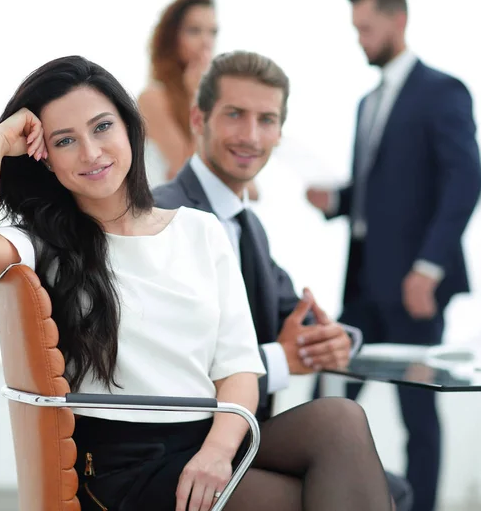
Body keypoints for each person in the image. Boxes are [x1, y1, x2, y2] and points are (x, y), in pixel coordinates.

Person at [0, 55, 393, 511]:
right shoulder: (46, 242)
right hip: (123, 467)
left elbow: (239, 370)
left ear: (129, 130)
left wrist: (217, 454)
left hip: (208, 437)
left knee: (341, 420)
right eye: (65, 141)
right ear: (47, 160)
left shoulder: (200, 230)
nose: (92, 153)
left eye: (102, 127)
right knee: (323, 498)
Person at [153, 50, 413, 511]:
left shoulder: (247, 226)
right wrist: (282, 359)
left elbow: (291, 313)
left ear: (279, 131)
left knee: (383, 477)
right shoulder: (164, 215)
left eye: (267, 120)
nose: (252, 136)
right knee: (355, 458)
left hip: (243, 432)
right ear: (199, 118)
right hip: (186, 441)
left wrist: (335, 340)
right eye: (235, 115)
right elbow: (174, 367)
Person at [306, 0, 481, 511]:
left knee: (418, 413)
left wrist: (429, 268)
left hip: (412, 287)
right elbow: (383, 190)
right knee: (326, 399)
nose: (359, 39)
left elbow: (464, 180)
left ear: (397, 20)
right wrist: (337, 201)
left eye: (366, 27)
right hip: (362, 282)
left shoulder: (442, 91)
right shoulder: (368, 102)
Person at [139, 0, 216, 186]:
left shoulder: (216, 95)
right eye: (194, 31)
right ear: (171, 37)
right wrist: (196, 96)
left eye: (213, 32)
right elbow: (190, 174)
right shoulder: (152, 97)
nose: (206, 41)